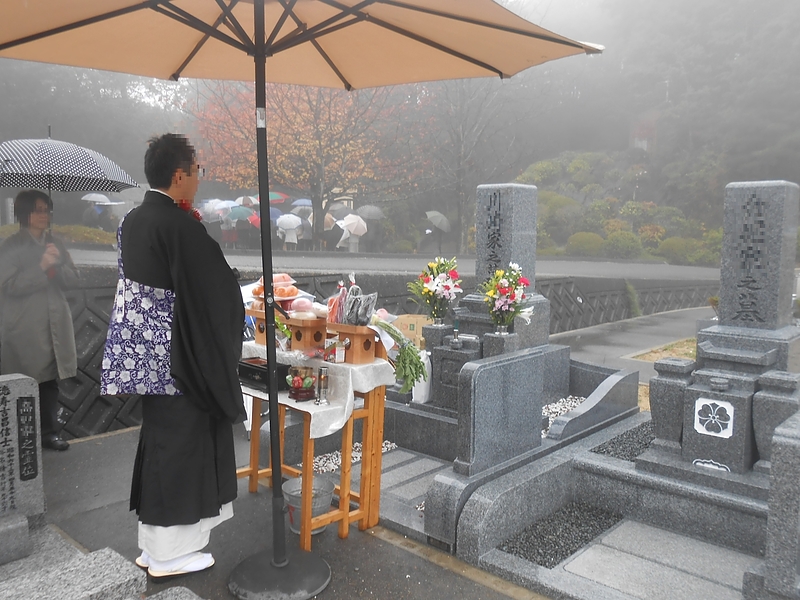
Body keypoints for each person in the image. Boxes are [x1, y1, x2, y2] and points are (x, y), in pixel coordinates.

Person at [100, 133, 245, 580]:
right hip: (178, 356)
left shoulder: (133, 220)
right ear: (179, 174)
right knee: (184, 447)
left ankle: (152, 546)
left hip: (142, 354)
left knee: (161, 442)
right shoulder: (179, 226)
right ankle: (171, 555)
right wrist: (243, 299)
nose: (199, 178)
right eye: (197, 170)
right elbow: (214, 292)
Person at [0, 190, 79, 451]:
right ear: (24, 213)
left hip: (53, 322)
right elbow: (8, 285)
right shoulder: (10, 246)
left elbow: (72, 280)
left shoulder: (54, 244)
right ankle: (23, 438)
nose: (43, 215)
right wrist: (42, 267)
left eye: (46, 209)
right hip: (25, 325)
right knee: (26, 381)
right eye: (37, 209)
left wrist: (56, 265)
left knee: (49, 381)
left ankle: (49, 433)